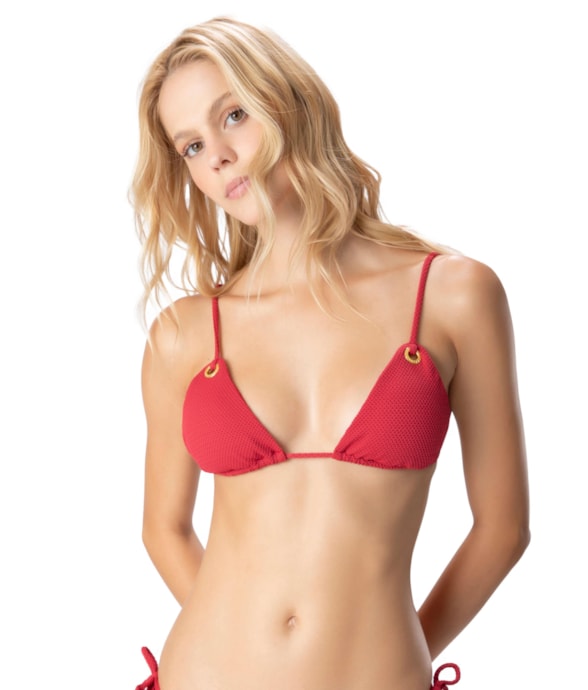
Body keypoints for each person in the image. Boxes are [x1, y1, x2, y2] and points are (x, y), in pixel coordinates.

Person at [131, 16, 530, 690]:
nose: (217, 155)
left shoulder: (452, 296)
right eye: (192, 145)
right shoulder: (185, 333)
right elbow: (163, 528)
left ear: (291, 101)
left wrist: (393, 654)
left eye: (233, 115)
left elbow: (504, 528)